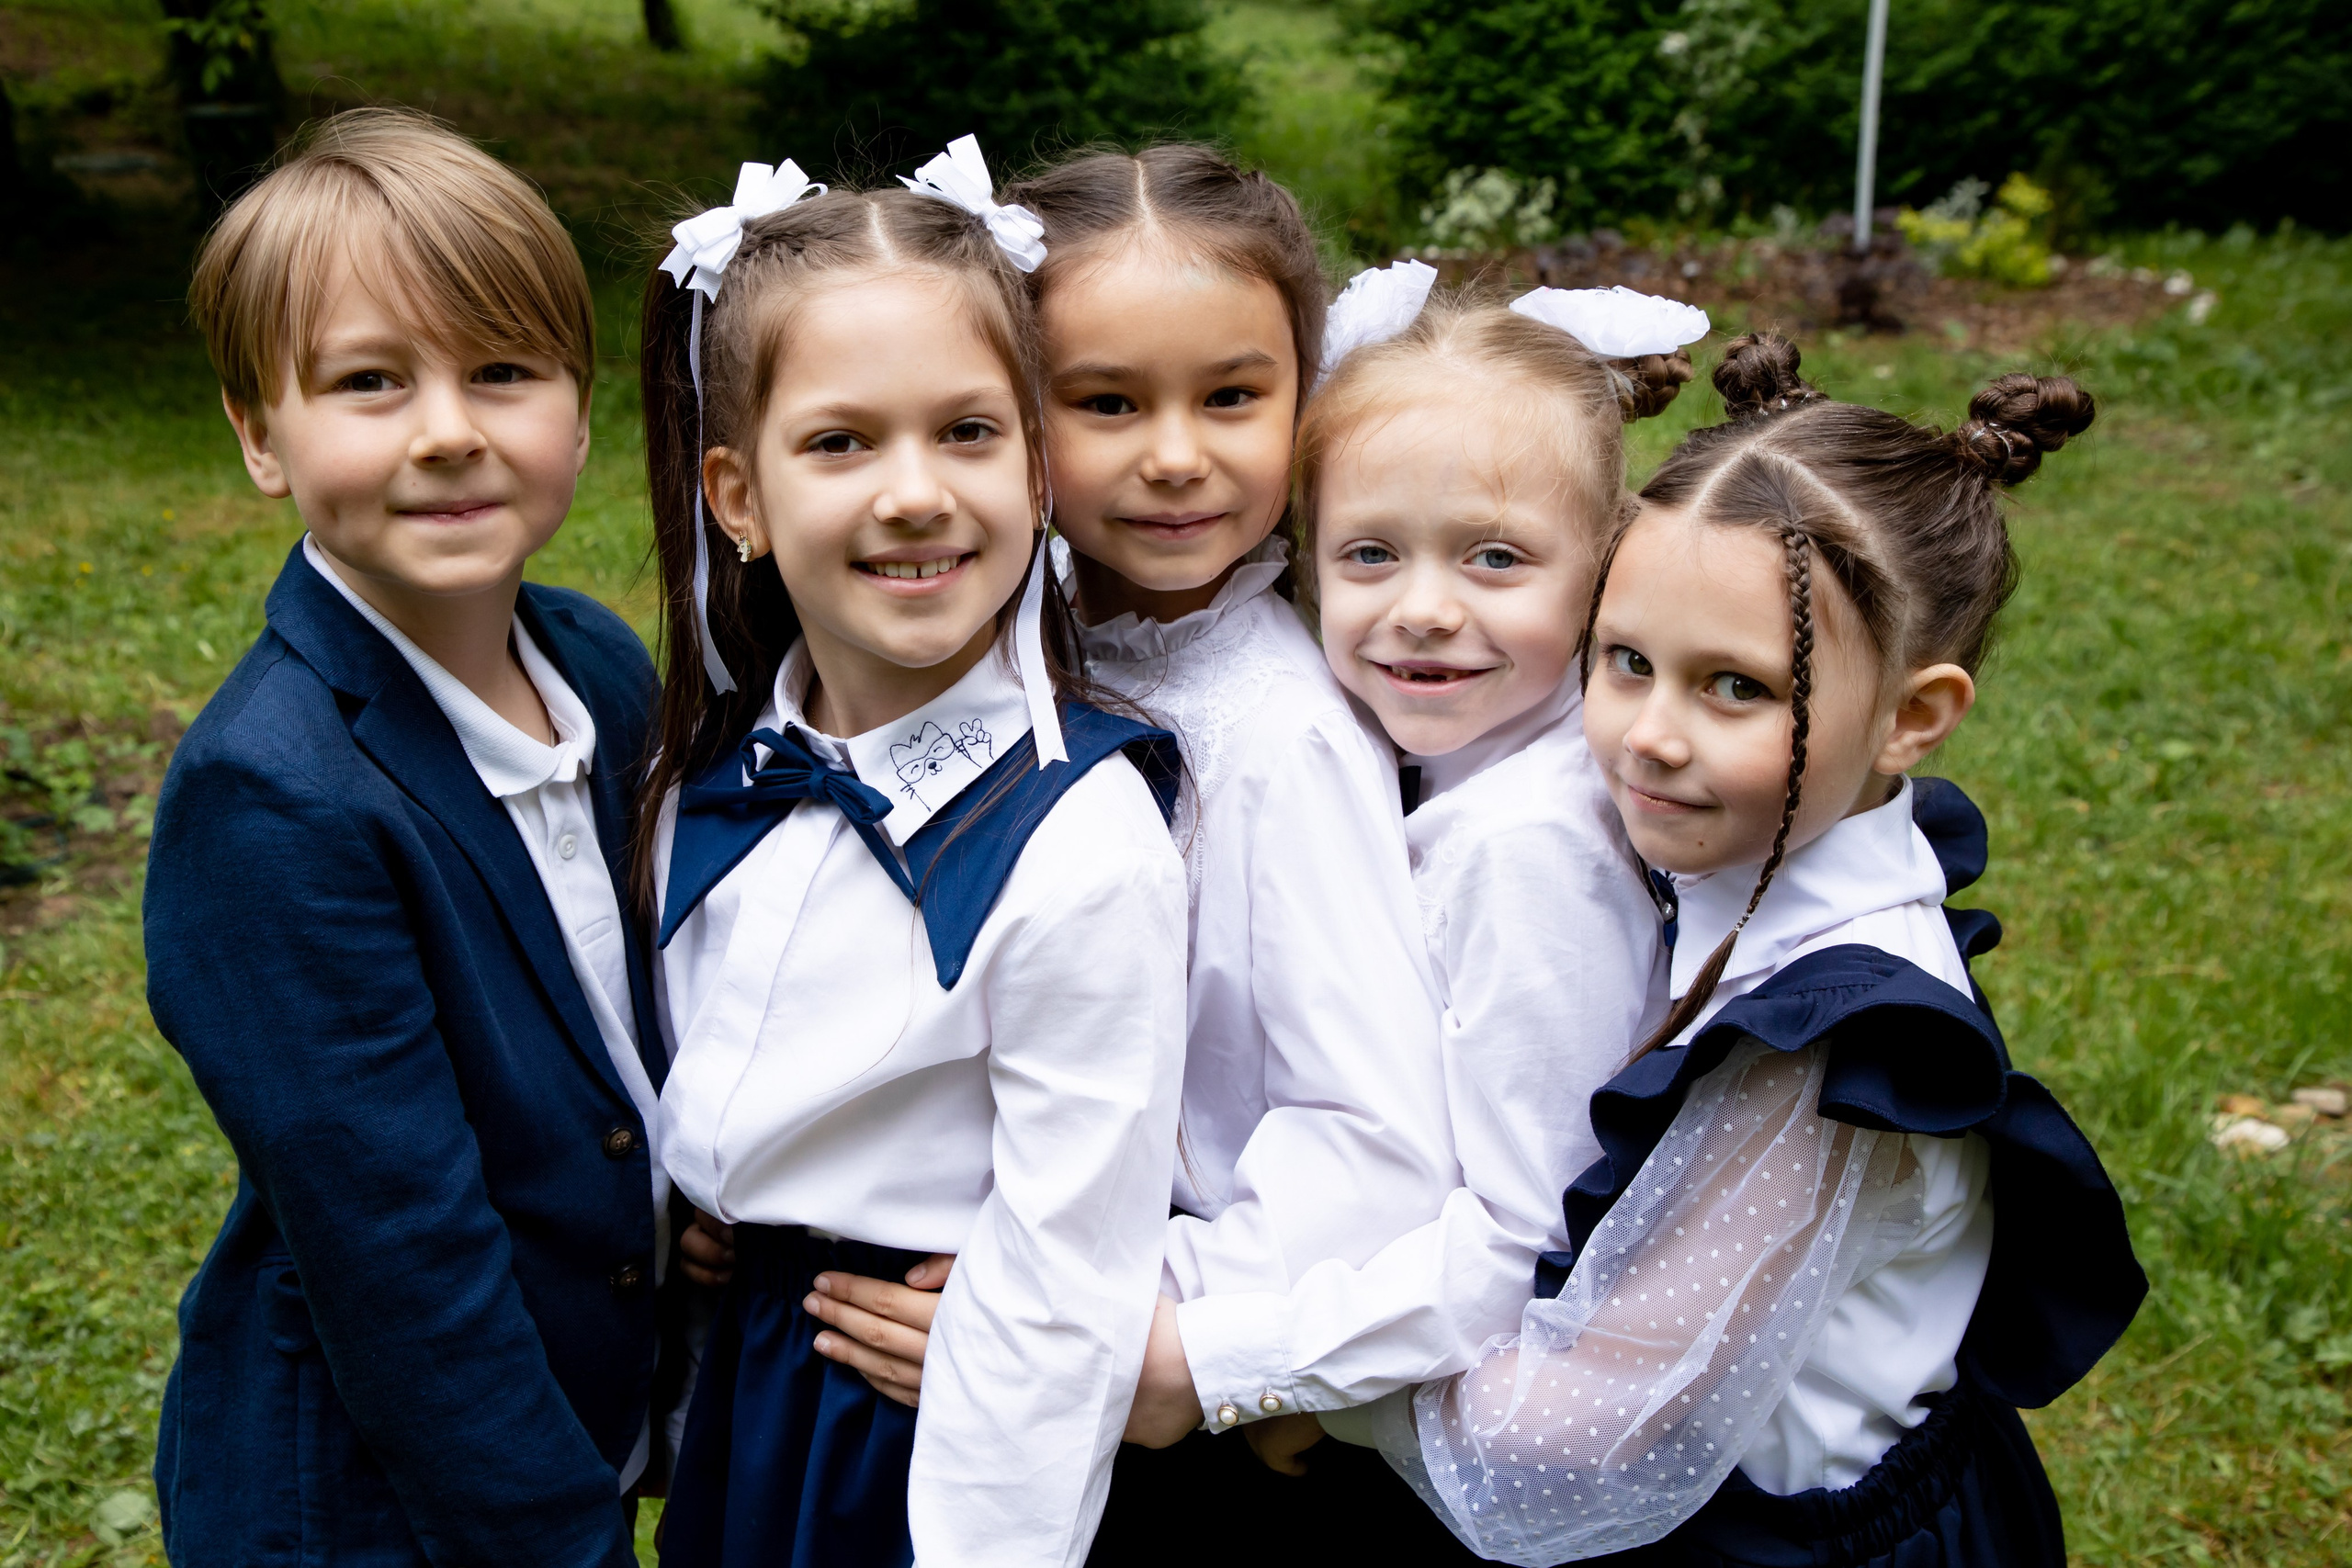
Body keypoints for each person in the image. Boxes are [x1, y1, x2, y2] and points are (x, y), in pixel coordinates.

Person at [1386, 335, 2147, 1566]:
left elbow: (1556, 1451)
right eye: (1624, 661)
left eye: (1734, 688)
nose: (1646, 737)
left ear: (1912, 717)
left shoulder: (1819, 1063)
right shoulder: (1756, 849)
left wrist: (1295, 1377)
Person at [797, 148, 1462, 1552]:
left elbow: (1374, 1143)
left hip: (1171, 1394)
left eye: (1233, 397)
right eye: (1107, 402)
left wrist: (1089, 1304)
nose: (1175, 455)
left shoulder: (1275, 730)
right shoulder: (995, 639)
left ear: (1307, 397)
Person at [637, 140, 1189, 1568]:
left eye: (967, 432)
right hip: (747, 1384)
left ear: (1038, 468)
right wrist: (706, 1205)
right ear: (736, 497)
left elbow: (1073, 1270)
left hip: (919, 1434)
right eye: (841, 442)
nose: (915, 493)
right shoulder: (708, 776)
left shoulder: (1081, 846)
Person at [145, 108, 666, 1566]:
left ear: (576, 411)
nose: (449, 430)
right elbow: (402, 1270)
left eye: (502, 372)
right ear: (261, 433)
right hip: (386, 1503)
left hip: (582, 1402)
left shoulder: (597, 663)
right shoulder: (276, 796)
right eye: (371, 383)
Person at [1168, 279, 1704, 1551]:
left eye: (1496, 558)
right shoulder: (1459, 766)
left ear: (1607, 566)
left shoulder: (1531, 845)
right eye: (1370, 554)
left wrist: (1260, 1371)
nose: (1422, 607)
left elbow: (1538, 1237)